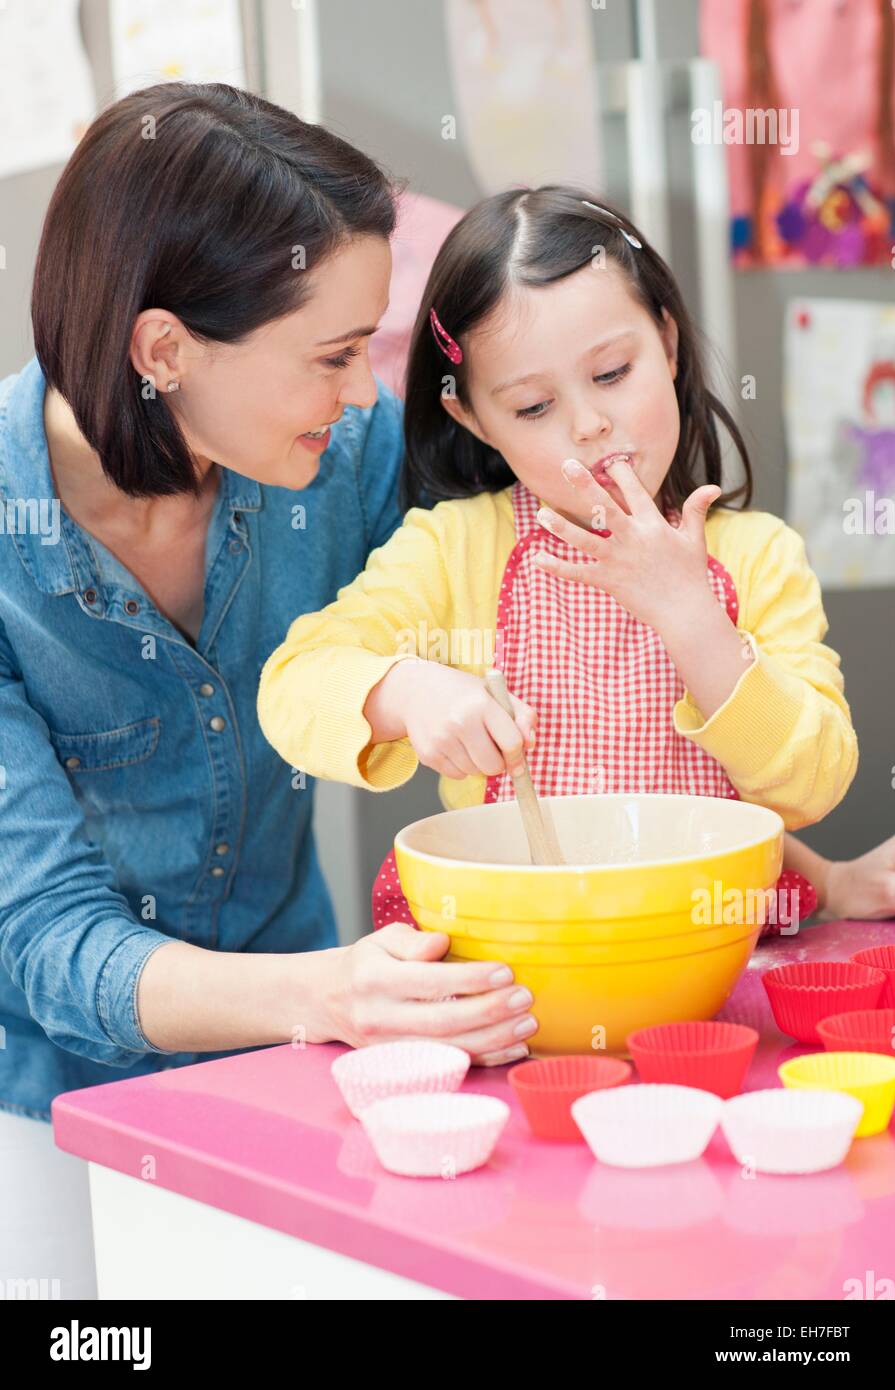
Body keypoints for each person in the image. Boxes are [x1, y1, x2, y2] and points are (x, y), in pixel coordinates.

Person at [0, 82, 531, 1299]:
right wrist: (332, 989)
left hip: (302, 1058)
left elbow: (526, 609)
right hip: (44, 1100)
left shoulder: (341, 462)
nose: (362, 392)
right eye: (336, 354)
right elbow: (43, 939)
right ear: (165, 350)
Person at [258, 184, 861, 958]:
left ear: (668, 344)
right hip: (514, 955)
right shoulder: (453, 551)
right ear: (473, 418)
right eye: (533, 408)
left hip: (702, 952)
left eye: (612, 372)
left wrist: (694, 621)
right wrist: (402, 691)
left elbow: (812, 784)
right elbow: (291, 686)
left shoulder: (758, 557)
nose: (588, 423)